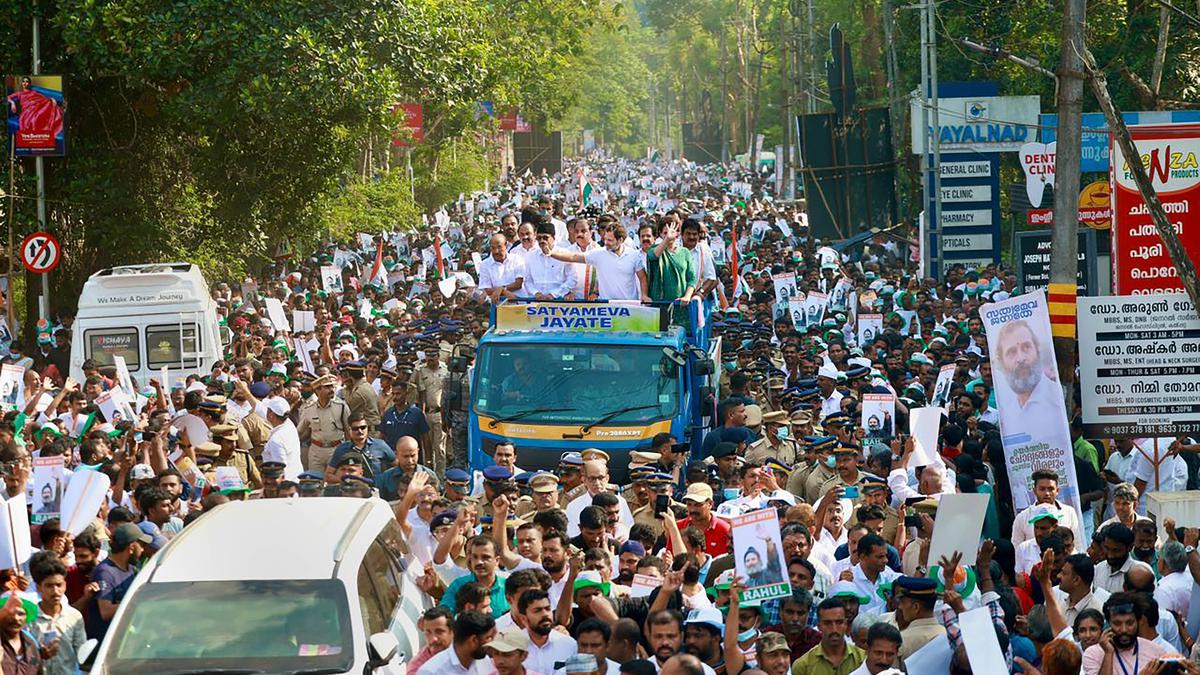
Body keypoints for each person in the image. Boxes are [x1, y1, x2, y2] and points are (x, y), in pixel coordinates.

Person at [85, 523, 151, 640]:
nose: (142, 550)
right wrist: (135, 603)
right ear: (131, 548)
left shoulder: (132, 570)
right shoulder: (105, 573)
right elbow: (105, 612)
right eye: (141, 545)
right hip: (105, 643)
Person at [29, 553, 87, 675]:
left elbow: (82, 655)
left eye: (59, 585)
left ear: (65, 585)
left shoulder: (74, 617)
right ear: (39, 588)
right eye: (49, 586)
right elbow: (23, 658)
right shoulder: (29, 619)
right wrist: (39, 655)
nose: (55, 591)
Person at [790, 598, 865, 675]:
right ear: (819, 626)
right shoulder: (803, 666)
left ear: (845, 624)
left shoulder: (863, 660)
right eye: (828, 623)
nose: (834, 629)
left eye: (839, 622)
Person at [415, 610, 496, 675]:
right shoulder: (431, 672)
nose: (492, 643)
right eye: (488, 638)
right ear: (473, 640)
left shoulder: (485, 662)